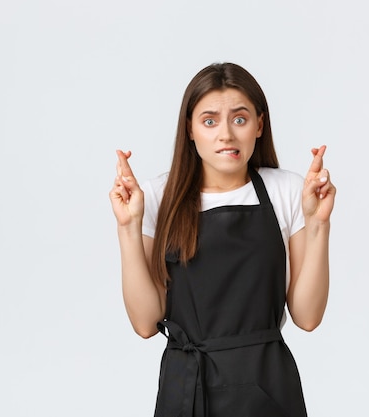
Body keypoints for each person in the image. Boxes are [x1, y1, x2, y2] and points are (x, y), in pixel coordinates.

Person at [109, 62, 336, 417]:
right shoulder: (156, 196)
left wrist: (318, 223)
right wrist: (128, 226)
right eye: (210, 121)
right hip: (187, 391)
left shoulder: (287, 190)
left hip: (268, 390)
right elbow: (145, 323)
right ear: (190, 129)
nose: (226, 135)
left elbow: (307, 317)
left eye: (240, 119)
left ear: (259, 125)